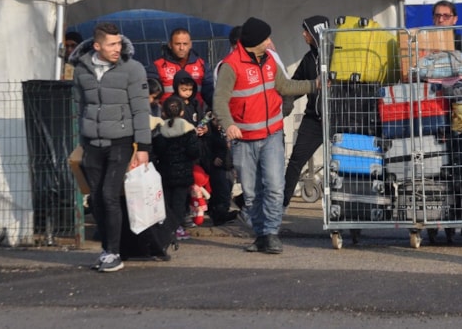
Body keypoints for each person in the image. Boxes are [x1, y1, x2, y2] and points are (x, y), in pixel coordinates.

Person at [213, 16, 319, 254]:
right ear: (255, 42)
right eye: (267, 38)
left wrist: (314, 85)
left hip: (271, 135)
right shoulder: (230, 66)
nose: (271, 42)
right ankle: (261, 235)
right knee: (251, 194)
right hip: (243, 140)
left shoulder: (270, 60)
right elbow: (220, 99)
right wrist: (228, 124)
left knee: (274, 186)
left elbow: (285, 87)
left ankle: (271, 233)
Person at [70, 22, 151, 273]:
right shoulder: (81, 70)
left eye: (119, 43)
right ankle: (107, 250)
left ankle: (114, 252)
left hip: (121, 142)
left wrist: (143, 147)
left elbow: (140, 110)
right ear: (97, 46)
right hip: (92, 142)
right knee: (95, 198)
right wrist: (80, 139)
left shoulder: (133, 69)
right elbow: (78, 105)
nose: (118, 48)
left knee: (108, 195)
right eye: (112, 44)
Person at [283, 15, 329, 208]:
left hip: (339, 120)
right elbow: (295, 85)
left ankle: (350, 209)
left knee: (345, 164)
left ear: (316, 32)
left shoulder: (338, 54)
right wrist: (284, 103)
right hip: (313, 121)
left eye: (306, 31)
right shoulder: (308, 59)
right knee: (295, 162)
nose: (303, 34)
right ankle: (280, 206)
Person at [153, 96, 206, 241]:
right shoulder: (188, 130)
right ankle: (176, 228)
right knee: (179, 204)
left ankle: (166, 228)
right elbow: (194, 152)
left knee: (167, 202)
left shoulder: (160, 131)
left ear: (163, 113)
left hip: (165, 172)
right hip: (183, 174)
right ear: (182, 112)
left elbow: (157, 150)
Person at [148, 28, 214, 108]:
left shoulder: (202, 65)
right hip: (168, 116)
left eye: (185, 44)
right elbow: (150, 95)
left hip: (195, 115)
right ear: (170, 44)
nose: (181, 48)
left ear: (190, 45)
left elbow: (210, 93)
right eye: (177, 44)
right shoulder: (157, 66)